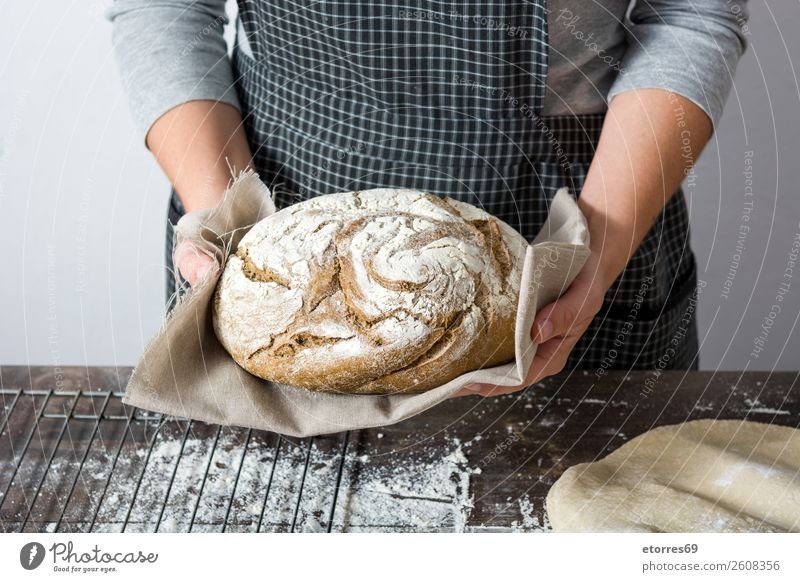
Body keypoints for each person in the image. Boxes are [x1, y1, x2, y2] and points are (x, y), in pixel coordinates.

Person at [107, 0, 749, 397]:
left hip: (583, 218)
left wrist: (599, 249)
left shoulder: (591, 241)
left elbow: (692, 10)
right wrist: (225, 218)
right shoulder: (254, 246)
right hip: (274, 225)